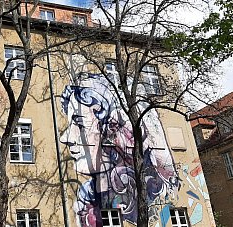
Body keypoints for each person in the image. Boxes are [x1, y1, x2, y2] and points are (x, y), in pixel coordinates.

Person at [60, 73, 178, 226]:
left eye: (80, 124)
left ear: (112, 131)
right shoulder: (87, 196)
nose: (65, 137)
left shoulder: (149, 197)